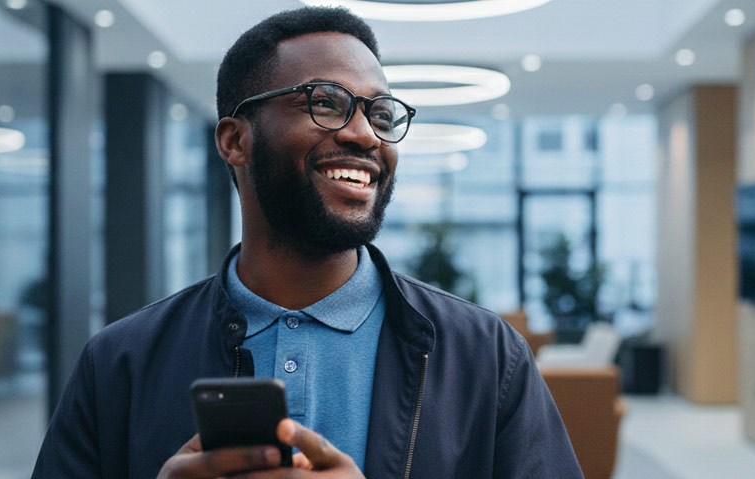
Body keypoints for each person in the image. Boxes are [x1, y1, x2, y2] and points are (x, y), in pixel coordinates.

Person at [32, 6, 582, 479]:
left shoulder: (485, 357)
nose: (365, 134)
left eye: (380, 113)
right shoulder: (120, 363)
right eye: (326, 102)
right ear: (235, 141)